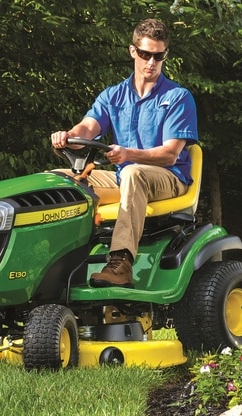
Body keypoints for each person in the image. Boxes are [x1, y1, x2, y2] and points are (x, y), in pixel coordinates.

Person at [51, 18, 198, 289]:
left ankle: (120, 263)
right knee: (57, 182)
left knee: (131, 172)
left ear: (165, 55)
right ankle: (54, 261)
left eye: (158, 55)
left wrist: (128, 153)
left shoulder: (178, 97)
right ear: (133, 52)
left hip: (169, 179)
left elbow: (170, 155)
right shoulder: (113, 96)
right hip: (127, 180)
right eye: (145, 54)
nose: (151, 62)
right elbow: (87, 128)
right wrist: (69, 138)